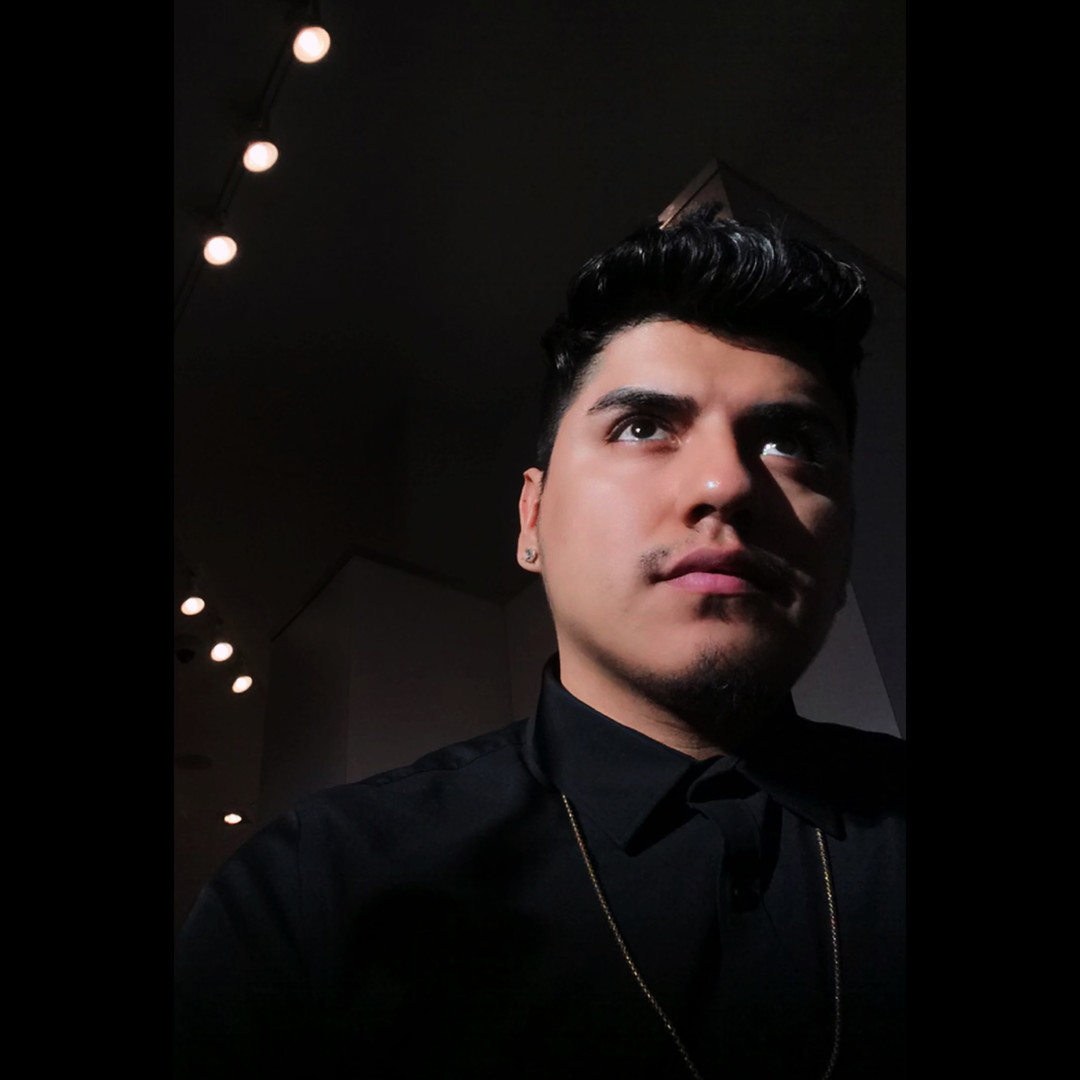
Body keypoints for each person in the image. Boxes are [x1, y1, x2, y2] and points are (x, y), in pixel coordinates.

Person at [174, 207, 904, 1079]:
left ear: (845, 536)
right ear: (531, 518)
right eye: (642, 426)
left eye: (792, 442)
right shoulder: (316, 890)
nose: (726, 483)